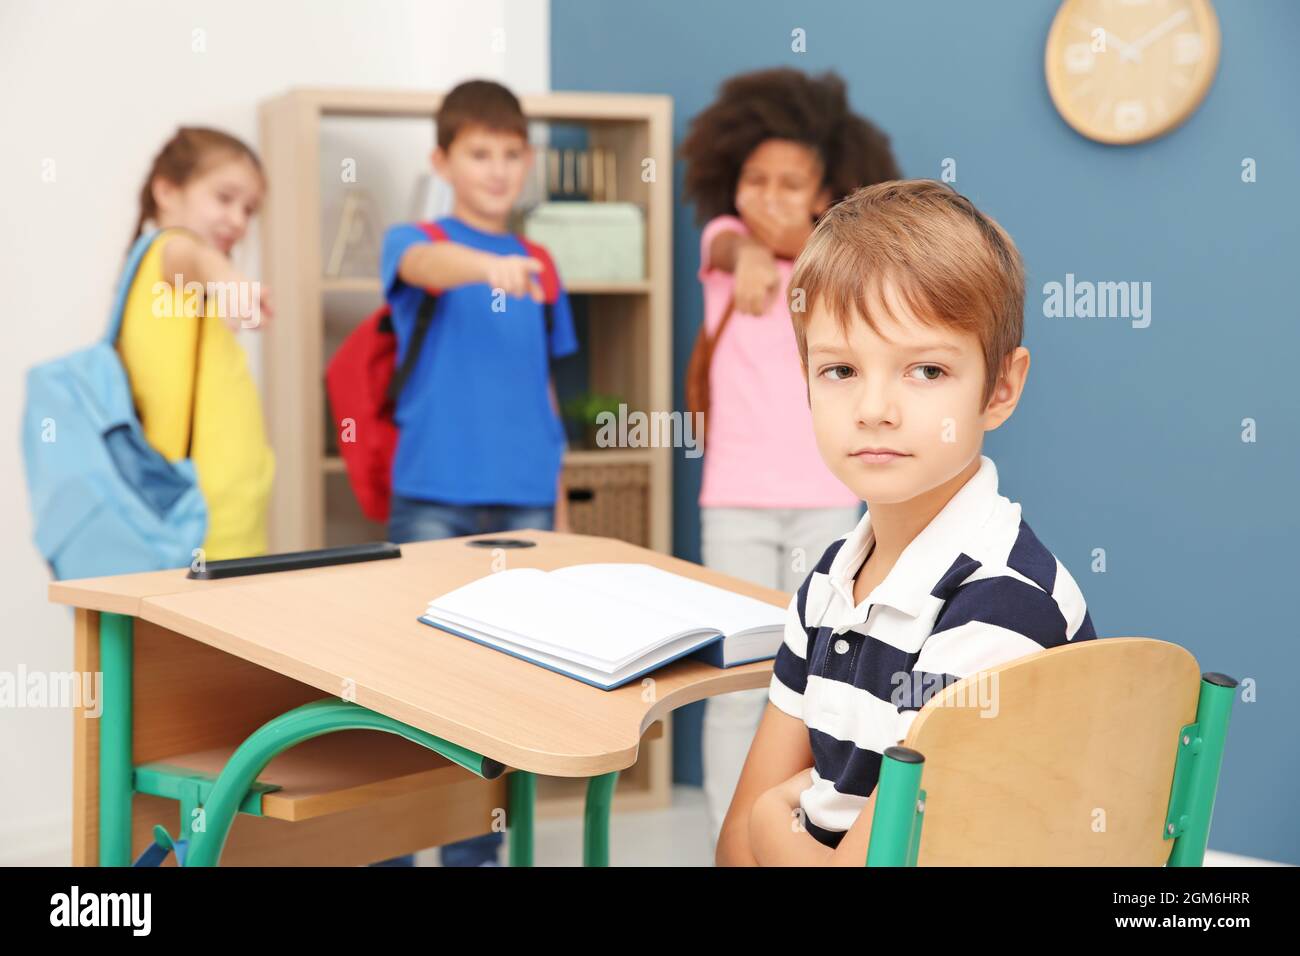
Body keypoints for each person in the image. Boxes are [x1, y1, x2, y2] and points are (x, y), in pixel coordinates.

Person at [716, 180, 1098, 865]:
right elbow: (730, 847)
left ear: (1000, 389)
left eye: (925, 369)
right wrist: (764, 828)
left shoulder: (1000, 609)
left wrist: (776, 824)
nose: (875, 408)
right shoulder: (830, 582)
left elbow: (761, 828)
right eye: (839, 370)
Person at [678, 67, 901, 845]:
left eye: (791, 182)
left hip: (824, 499)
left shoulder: (835, 273)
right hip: (735, 500)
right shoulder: (721, 250)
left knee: (815, 682)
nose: (768, 194)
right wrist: (744, 250)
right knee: (736, 685)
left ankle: (803, 834)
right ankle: (727, 838)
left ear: (823, 193)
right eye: (754, 179)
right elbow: (728, 236)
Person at [374, 79, 578, 867]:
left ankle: (473, 853)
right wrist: (486, 268)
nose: (496, 170)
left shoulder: (543, 263)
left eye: (509, 155)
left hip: (524, 498)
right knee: (408, 682)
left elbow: (543, 388)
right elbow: (426, 264)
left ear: (526, 162)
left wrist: (558, 511)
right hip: (432, 492)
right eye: (478, 154)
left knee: (495, 693)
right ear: (443, 159)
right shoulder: (412, 239)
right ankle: (388, 844)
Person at [116, 127, 274, 562]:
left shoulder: (190, 289)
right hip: (194, 528)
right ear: (167, 190)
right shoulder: (168, 252)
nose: (239, 221)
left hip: (229, 522)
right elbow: (193, 256)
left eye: (249, 210)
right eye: (225, 199)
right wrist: (225, 276)